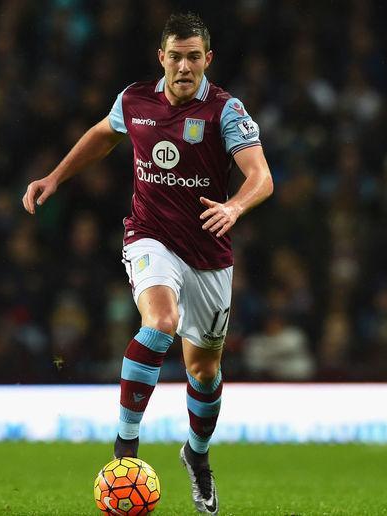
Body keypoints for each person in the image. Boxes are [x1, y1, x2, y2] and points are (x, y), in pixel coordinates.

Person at [22, 12, 272, 515]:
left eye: (193, 57)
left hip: (208, 252)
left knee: (203, 371)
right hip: (149, 237)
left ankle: (196, 456)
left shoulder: (226, 110)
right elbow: (101, 134)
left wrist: (234, 206)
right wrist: (54, 177)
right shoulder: (134, 100)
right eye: (175, 56)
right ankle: (125, 449)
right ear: (162, 57)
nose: (184, 66)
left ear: (207, 60)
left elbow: (260, 177)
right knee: (160, 321)